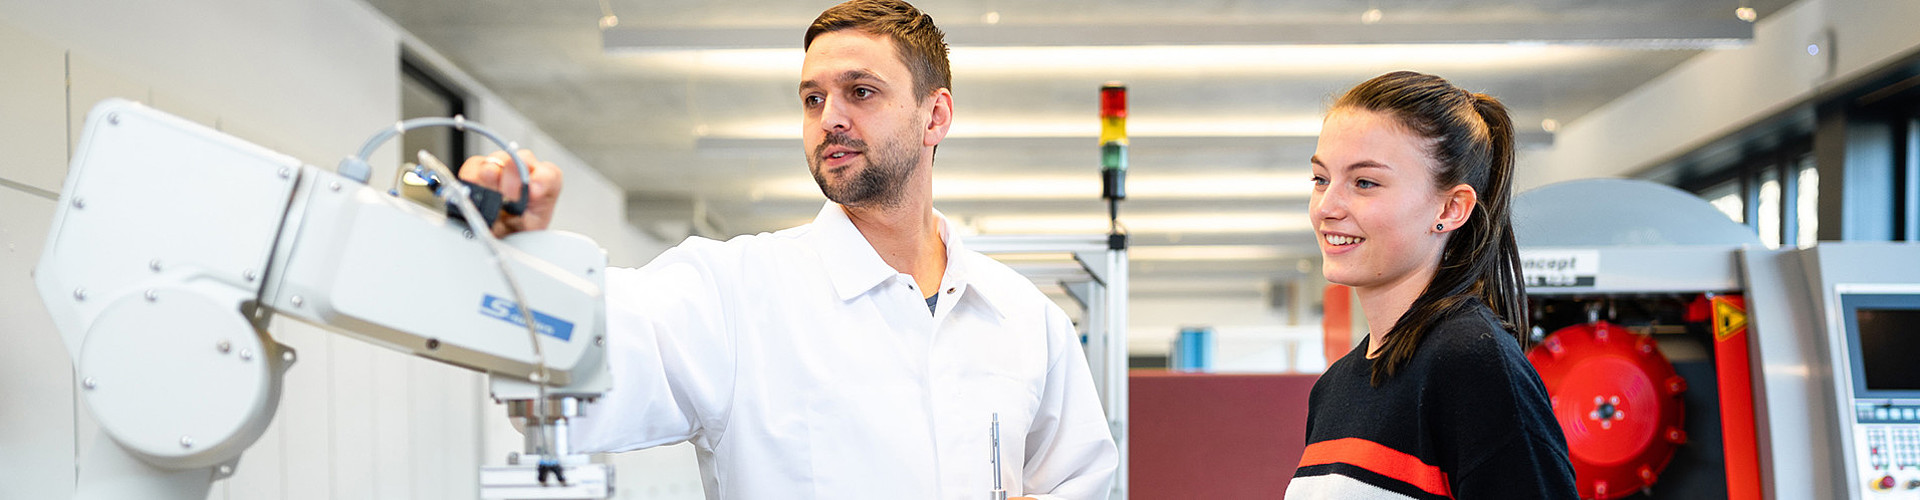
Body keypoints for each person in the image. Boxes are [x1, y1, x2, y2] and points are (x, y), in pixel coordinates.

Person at [457, 1, 1118, 498]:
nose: (830, 117)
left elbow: (1079, 481)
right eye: (812, 98)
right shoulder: (733, 292)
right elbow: (580, 369)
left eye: (861, 92)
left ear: (935, 116)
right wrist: (525, 259)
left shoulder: (1024, 319)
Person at [1285, 71, 1577, 499]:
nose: (1326, 207)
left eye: (1364, 182)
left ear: (1451, 208)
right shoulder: (1334, 388)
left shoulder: (1471, 362)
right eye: (1321, 179)